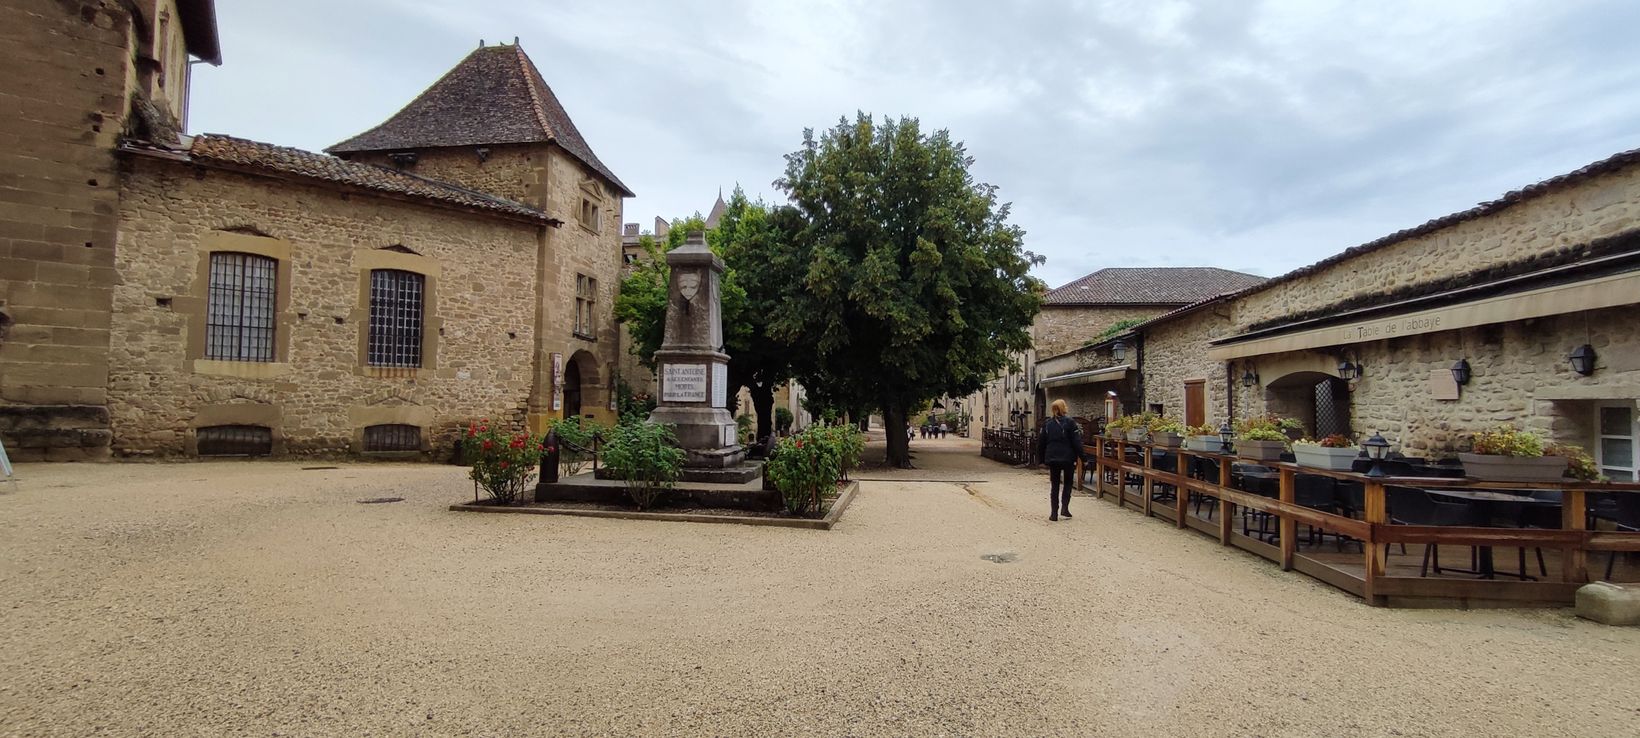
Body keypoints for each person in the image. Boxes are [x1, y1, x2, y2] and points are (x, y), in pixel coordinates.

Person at [1035, 399, 1083, 522]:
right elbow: (1076, 442)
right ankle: (1065, 508)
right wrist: (1083, 457)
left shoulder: (1047, 424)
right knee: (1067, 483)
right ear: (1064, 408)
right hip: (1068, 458)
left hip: (1053, 458)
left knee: (1054, 485)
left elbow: (1041, 442)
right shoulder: (1071, 423)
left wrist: (1041, 459)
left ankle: (1054, 513)